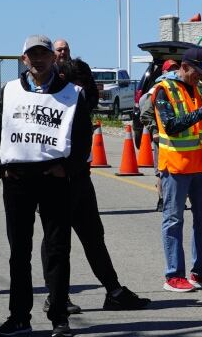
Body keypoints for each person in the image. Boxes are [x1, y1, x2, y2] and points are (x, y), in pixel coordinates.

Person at [0, 35, 92, 337]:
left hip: (54, 179)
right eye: (32, 54)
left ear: (54, 58)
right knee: (19, 252)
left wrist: (66, 168)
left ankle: (59, 316)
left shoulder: (73, 93)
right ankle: (19, 317)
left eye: (44, 54)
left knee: (58, 250)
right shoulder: (9, 91)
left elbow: (84, 139)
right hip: (17, 180)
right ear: (24, 60)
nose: (39, 59)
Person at [39, 58, 150, 314]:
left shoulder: (81, 99)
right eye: (76, 82)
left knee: (93, 237)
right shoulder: (51, 100)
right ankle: (56, 296)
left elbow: (89, 100)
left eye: (84, 82)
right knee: (55, 242)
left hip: (80, 177)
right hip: (56, 181)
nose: (81, 87)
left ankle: (114, 292)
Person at [152, 47, 202, 292]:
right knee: (173, 220)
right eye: (197, 72)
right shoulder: (163, 89)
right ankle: (174, 274)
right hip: (175, 167)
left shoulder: (201, 88)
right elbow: (171, 125)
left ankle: (201, 271)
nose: (200, 77)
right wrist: (201, 112)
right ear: (184, 67)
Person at [140, 59, 180, 212]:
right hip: (161, 139)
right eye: (170, 69)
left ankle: (177, 199)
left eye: (175, 69)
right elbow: (145, 113)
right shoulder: (157, 89)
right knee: (161, 171)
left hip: (178, 138)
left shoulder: (179, 88)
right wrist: (154, 131)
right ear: (163, 72)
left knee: (176, 170)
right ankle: (162, 200)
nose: (173, 72)